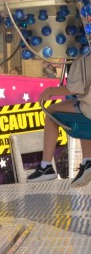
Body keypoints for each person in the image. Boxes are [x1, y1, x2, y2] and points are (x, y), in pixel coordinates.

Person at [27, 52, 91, 186]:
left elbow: (74, 88)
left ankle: (46, 166)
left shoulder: (84, 54)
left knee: (51, 113)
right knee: (80, 115)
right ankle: (87, 160)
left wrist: (50, 91)